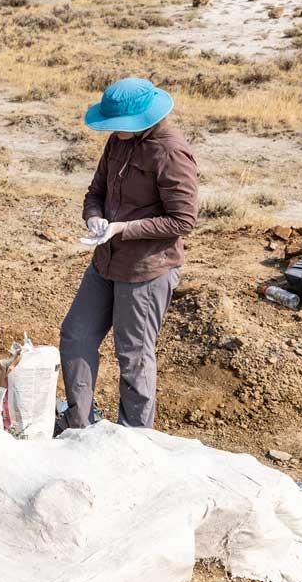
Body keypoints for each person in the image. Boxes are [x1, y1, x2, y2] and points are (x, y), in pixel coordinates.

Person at [60, 77, 198, 430]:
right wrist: (94, 217)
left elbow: (182, 220)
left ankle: (134, 439)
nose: (112, 130)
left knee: (134, 356)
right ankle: (79, 426)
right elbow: (96, 191)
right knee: (76, 335)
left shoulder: (169, 151)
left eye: (118, 125)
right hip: (106, 261)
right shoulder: (117, 143)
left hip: (146, 270)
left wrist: (123, 229)